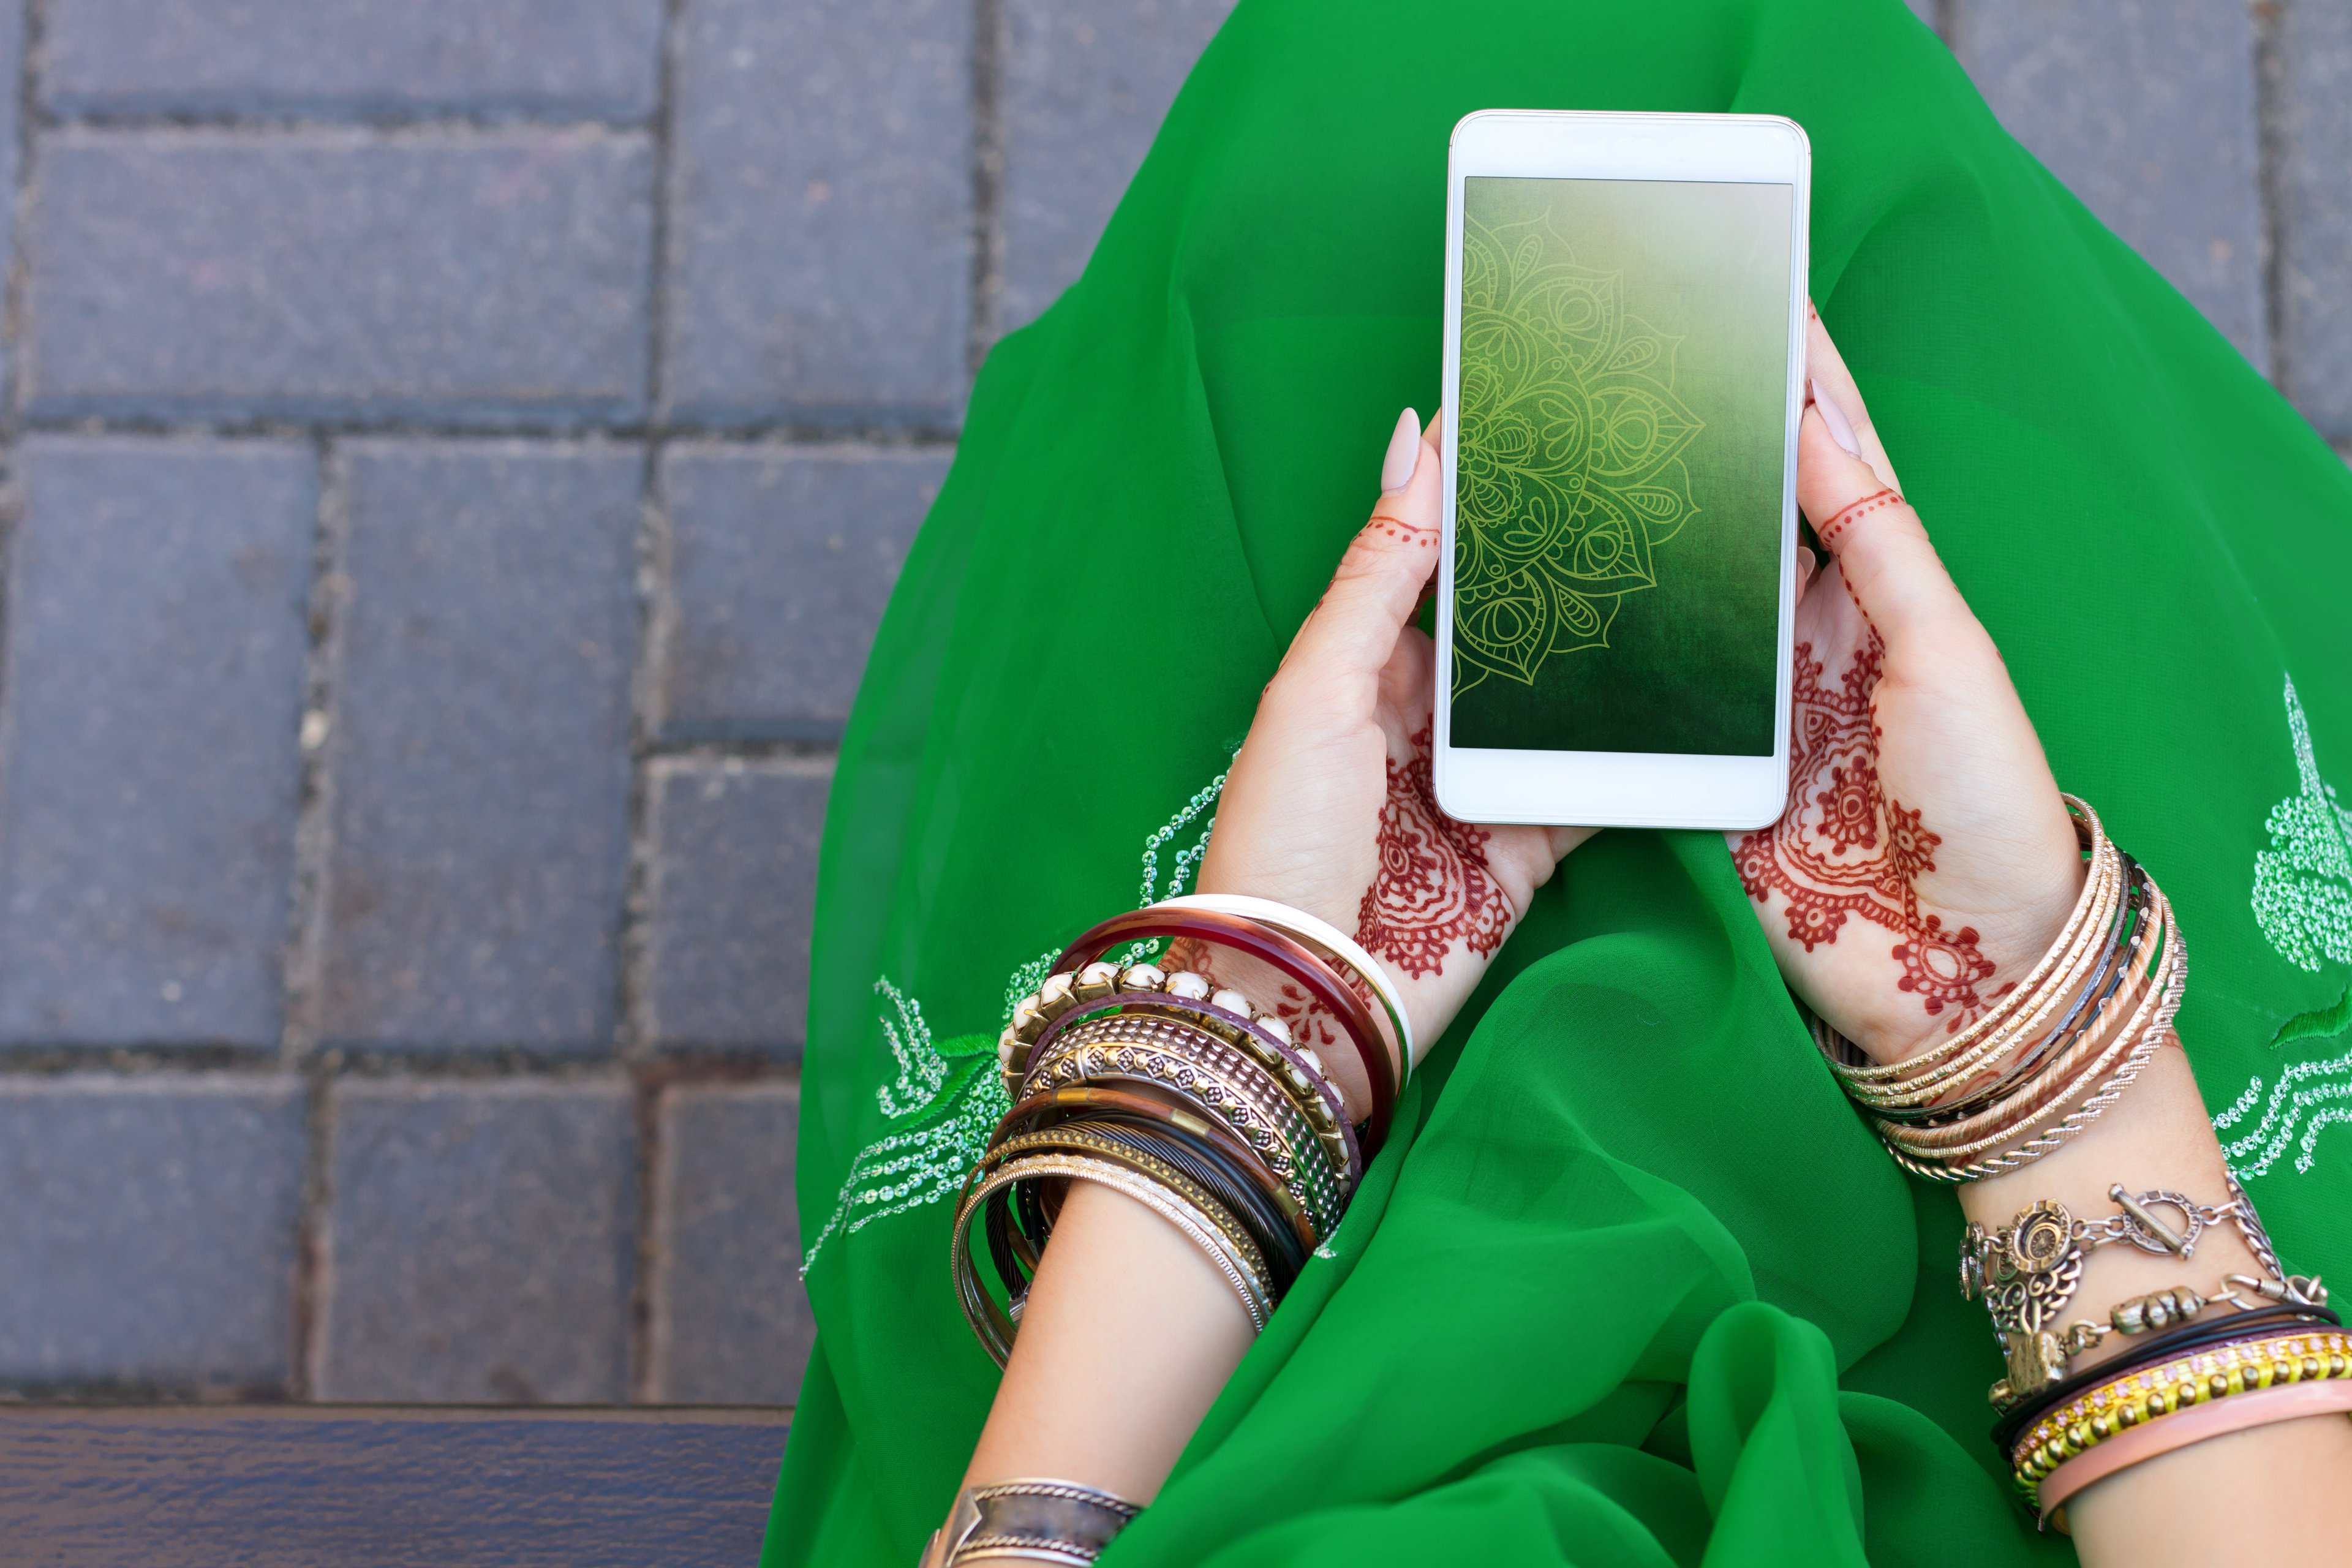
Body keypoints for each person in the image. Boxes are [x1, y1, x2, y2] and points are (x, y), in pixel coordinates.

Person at [766, 2, 2352, 1563]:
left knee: (1338, 133)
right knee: (1805, 131)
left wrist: (1268, 1031)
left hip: (1259, 1369)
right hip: (2110, 1375)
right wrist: (2020, 1040)